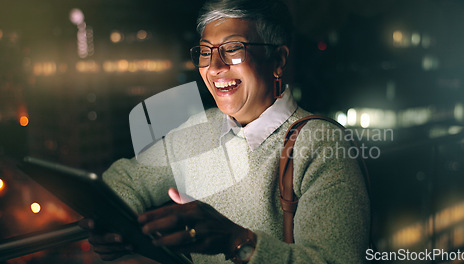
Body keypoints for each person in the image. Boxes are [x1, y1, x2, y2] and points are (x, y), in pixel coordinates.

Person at [81, 0, 370, 263]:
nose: (214, 67)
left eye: (233, 49)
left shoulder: (323, 146)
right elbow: (125, 180)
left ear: (278, 59)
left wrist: (234, 241)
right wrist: (110, 226)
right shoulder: (198, 130)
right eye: (206, 52)